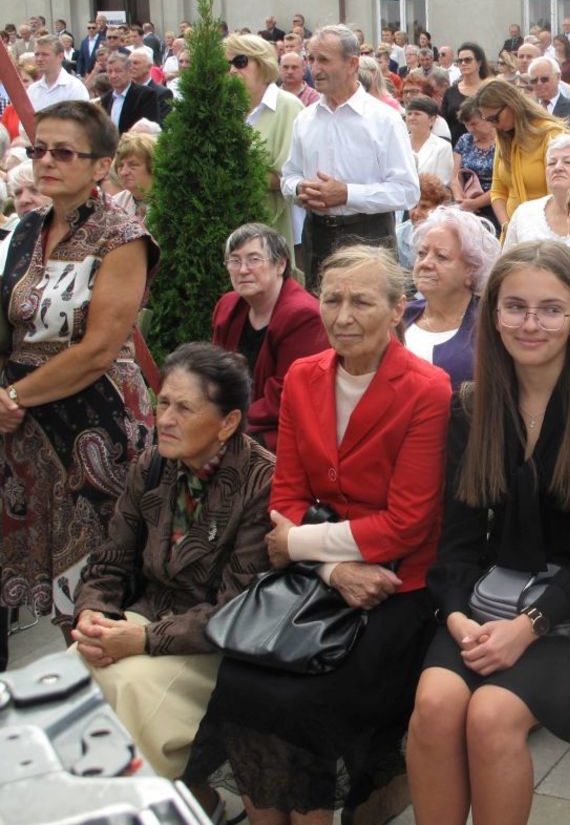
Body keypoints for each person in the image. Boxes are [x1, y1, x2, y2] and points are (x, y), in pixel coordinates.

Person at [185, 245, 452, 823]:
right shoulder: (304, 378)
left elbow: (408, 523)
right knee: (241, 678)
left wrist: (298, 546)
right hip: (321, 578)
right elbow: (286, 496)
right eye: (332, 299)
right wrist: (331, 567)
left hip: (394, 586)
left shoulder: (427, 389)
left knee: (307, 698)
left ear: (398, 309)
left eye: (362, 301)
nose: (343, 315)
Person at [408, 241, 570, 825]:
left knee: (491, 716)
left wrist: (529, 627)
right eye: (515, 307)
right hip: (484, 605)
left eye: (551, 309)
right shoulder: (473, 408)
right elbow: (455, 540)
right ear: (493, 314)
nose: (531, 323)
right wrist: (456, 617)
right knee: (434, 705)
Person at [71, 344, 273, 805]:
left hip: (212, 644)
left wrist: (141, 641)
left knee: (128, 688)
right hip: (146, 618)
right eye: (163, 402)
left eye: (185, 408)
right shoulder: (154, 463)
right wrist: (92, 613)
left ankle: (150, 809)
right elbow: (111, 561)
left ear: (228, 422)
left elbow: (235, 610)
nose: (165, 418)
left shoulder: (262, 482)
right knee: (71, 674)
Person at [0, 101, 158, 629]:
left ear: (100, 166)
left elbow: (97, 350)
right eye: (38, 149)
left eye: (64, 152)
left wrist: (16, 397)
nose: (47, 161)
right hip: (24, 434)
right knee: (41, 583)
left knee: (94, 595)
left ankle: (110, 706)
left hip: (96, 426)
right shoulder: (27, 229)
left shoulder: (122, 236)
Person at [281, 25, 419, 283]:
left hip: (369, 235)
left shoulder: (384, 119)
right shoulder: (305, 119)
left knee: (370, 316)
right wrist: (299, 188)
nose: (315, 68)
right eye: (311, 59)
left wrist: (347, 194)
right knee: (321, 316)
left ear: (352, 64)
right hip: (317, 234)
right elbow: (288, 176)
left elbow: (407, 191)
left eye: (324, 60)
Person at [211, 223, 328, 451]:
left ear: (281, 264)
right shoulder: (228, 306)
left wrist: (225, 422)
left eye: (254, 260)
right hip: (238, 419)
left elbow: (287, 395)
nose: (243, 269)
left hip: (286, 428)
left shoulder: (302, 315)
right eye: (234, 261)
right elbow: (215, 373)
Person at [225, 33, 306, 261]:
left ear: (262, 64)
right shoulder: (227, 107)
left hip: (279, 224)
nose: (232, 70)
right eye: (227, 64)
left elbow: (291, 178)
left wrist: (236, 173)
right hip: (235, 221)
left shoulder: (288, 107)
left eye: (240, 62)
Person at [402, 204, 500, 387]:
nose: (426, 263)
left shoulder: (491, 325)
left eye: (441, 257)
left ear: (472, 270)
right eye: (422, 254)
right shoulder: (398, 317)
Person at [474, 79, 569, 228]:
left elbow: (558, 195)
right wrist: (507, 225)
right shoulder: (503, 136)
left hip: (544, 230)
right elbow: (497, 190)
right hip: (512, 229)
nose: (492, 125)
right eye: (487, 119)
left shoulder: (550, 134)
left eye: (494, 118)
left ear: (511, 105)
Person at [502, 133, 570, 250]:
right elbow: (506, 265)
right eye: (551, 163)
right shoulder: (524, 213)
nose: (557, 168)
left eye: (568, 162)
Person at [451, 98, 499, 233]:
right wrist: (460, 199)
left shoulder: (503, 142)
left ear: (487, 119)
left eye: (474, 124)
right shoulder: (464, 140)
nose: (470, 129)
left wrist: (476, 203)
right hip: (465, 202)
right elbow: (454, 176)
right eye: (467, 125)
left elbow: (505, 183)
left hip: (495, 203)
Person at [443, 42, 491, 143]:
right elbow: (444, 123)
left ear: (479, 63)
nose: (463, 63)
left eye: (468, 60)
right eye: (460, 61)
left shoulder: (490, 90)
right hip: (455, 147)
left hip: (486, 147)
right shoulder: (450, 92)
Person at [405, 96, 454, 186]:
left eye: (417, 114)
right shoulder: (399, 143)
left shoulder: (443, 147)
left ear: (432, 120)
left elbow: (442, 182)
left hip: (428, 197)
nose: (412, 117)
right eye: (409, 114)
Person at [111, 130, 157, 218]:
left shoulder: (169, 202)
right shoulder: (115, 204)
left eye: (133, 165)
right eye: (120, 165)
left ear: (152, 165)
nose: (124, 172)